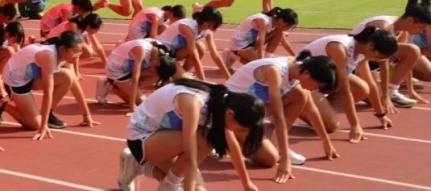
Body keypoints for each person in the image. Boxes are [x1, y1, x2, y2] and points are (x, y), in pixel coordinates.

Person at [118, 79, 266, 191]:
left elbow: (232, 147)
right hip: (142, 139)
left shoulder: (222, 103)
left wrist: (247, 184)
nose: (240, 133)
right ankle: (167, 186)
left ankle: (138, 165)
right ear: (230, 114)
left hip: (165, 139)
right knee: (205, 141)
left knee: (199, 189)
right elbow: (190, 155)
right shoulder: (193, 103)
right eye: (242, 129)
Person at [224, 54, 339, 183]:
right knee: (270, 159)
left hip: (252, 111)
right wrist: (285, 160)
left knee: (300, 95)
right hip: (232, 114)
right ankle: (220, 133)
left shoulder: (298, 71)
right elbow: (279, 117)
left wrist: (326, 141)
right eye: (317, 85)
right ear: (307, 74)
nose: (315, 89)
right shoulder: (275, 71)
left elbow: (311, 109)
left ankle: (276, 145)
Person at [0, 31, 99, 133]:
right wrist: (43, 126)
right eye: (76, 51)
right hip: (16, 80)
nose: (78, 55)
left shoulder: (65, 55)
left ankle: (48, 114)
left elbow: (74, 84)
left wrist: (86, 115)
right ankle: (0, 103)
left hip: (32, 76)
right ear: (64, 49)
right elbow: (48, 92)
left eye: (80, 51)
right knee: (35, 125)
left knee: (68, 76)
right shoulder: (48, 56)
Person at [300, 27, 398, 141]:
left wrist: (381, 115)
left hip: (318, 82)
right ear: (371, 46)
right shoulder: (340, 48)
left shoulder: (361, 52)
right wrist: (355, 125)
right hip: (301, 83)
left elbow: (371, 84)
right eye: (379, 57)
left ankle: (319, 108)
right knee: (331, 126)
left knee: (362, 88)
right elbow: (345, 91)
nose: (377, 61)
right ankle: (296, 106)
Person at [349, 8, 431, 108]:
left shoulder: (403, 31)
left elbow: (405, 59)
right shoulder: (383, 28)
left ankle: (392, 91)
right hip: (356, 63)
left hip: (372, 60)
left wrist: (411, 90)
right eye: (422, 27)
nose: (421, 31)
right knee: (376, 100)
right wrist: (385, 96)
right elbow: (383, 63)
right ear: (410, 21)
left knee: (413, 50)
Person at [96, 38, 179, 112]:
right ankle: (108, 84)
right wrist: (132, 107)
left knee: (158, 74)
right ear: (157, 63)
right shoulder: (141, 50)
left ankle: (125, 90)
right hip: (117, 71)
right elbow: (135, 78)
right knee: (142, 102)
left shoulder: (163, 52)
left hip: (130, 68)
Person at [157, 7, 231, 81]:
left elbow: (215, 55)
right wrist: (204, 82)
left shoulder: (207, 32)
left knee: (200, 47)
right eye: (215, 25)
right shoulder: (188, 27)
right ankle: (175, 76)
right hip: (161, 52)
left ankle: (180, 75)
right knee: (197, 47)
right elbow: (195, 58)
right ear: (206, 21)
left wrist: (229, 78)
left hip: (173, 53)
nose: (215, 29)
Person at [224, 7, 300, 72]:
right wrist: (261, 61)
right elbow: (260, 41)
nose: (288, 29)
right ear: (281, 21)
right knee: (257, 67)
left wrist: (296, 57)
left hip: (251, 44)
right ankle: (232, 55)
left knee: (279, 34)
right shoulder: (264, 21)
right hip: (240, 45)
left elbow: (284, 42)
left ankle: (267, 60)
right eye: (288, 26)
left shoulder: (275, 25)